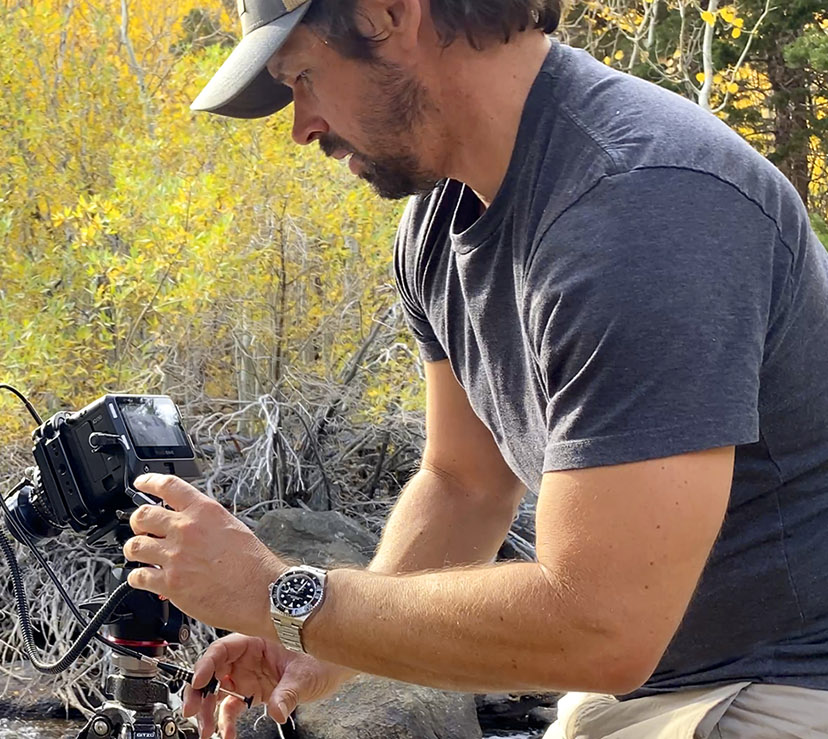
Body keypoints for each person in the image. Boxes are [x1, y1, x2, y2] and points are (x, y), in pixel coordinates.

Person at [118, 0, 828, 736]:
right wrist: (328, 644)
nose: (303, 127)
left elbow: (602, 625)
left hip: (783, 687)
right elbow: (466, 483)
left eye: (303, 77)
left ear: (388, 14)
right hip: (642, 693)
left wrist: (285, 596)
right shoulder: (435, 228)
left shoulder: (644, 203)